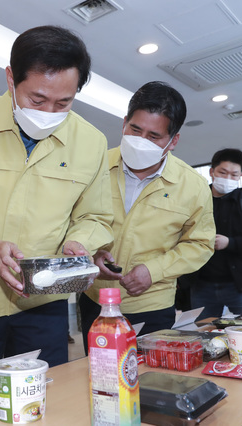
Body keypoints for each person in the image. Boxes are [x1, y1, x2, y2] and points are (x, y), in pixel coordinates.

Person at [0, 25, 114, 397]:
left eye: (64, 103)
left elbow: (96, 216)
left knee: (44, 400)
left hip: (45, 300)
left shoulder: (92, 142)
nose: (49, 112)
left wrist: (80, 241)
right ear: (11, 78)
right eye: (37, 99)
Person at [80, 81, 215, 350]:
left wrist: (154, 271)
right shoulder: (93, 167)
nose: (141, 142)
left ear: (173, 140)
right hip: (95, 298)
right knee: (100, 377)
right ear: (124, 124)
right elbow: (74, 222)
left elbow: (201, 244)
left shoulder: (192, 185)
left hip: (152, 304)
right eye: (135, 129)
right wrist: (90, 253)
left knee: (152, 381)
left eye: (154, 137)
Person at [191, 149, 242, 321]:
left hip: (241, 286)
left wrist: (230, 243)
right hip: (202, 285)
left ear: (240, 176)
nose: (228, 179)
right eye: (222, 172)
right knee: (203, 336)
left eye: (234, 175)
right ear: (212, 172)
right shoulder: (197, 200)